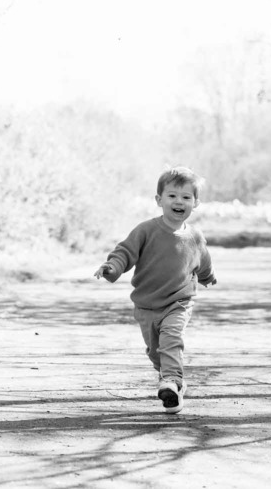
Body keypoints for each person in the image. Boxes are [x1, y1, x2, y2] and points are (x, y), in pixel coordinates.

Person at [94, 166, 217, 414]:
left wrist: (207, 277)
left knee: (171, 339)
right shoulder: (146, 231)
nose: (179, 202)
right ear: (159, 200)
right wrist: (112, 268)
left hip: (179, 301)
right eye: (172, 196)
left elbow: (203, 260)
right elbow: (124, 253)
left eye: (186, 197)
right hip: (147, 305)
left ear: (196, 203)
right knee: (155, 352)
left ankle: (172, 381)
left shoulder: (194, 236)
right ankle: (170, 382)